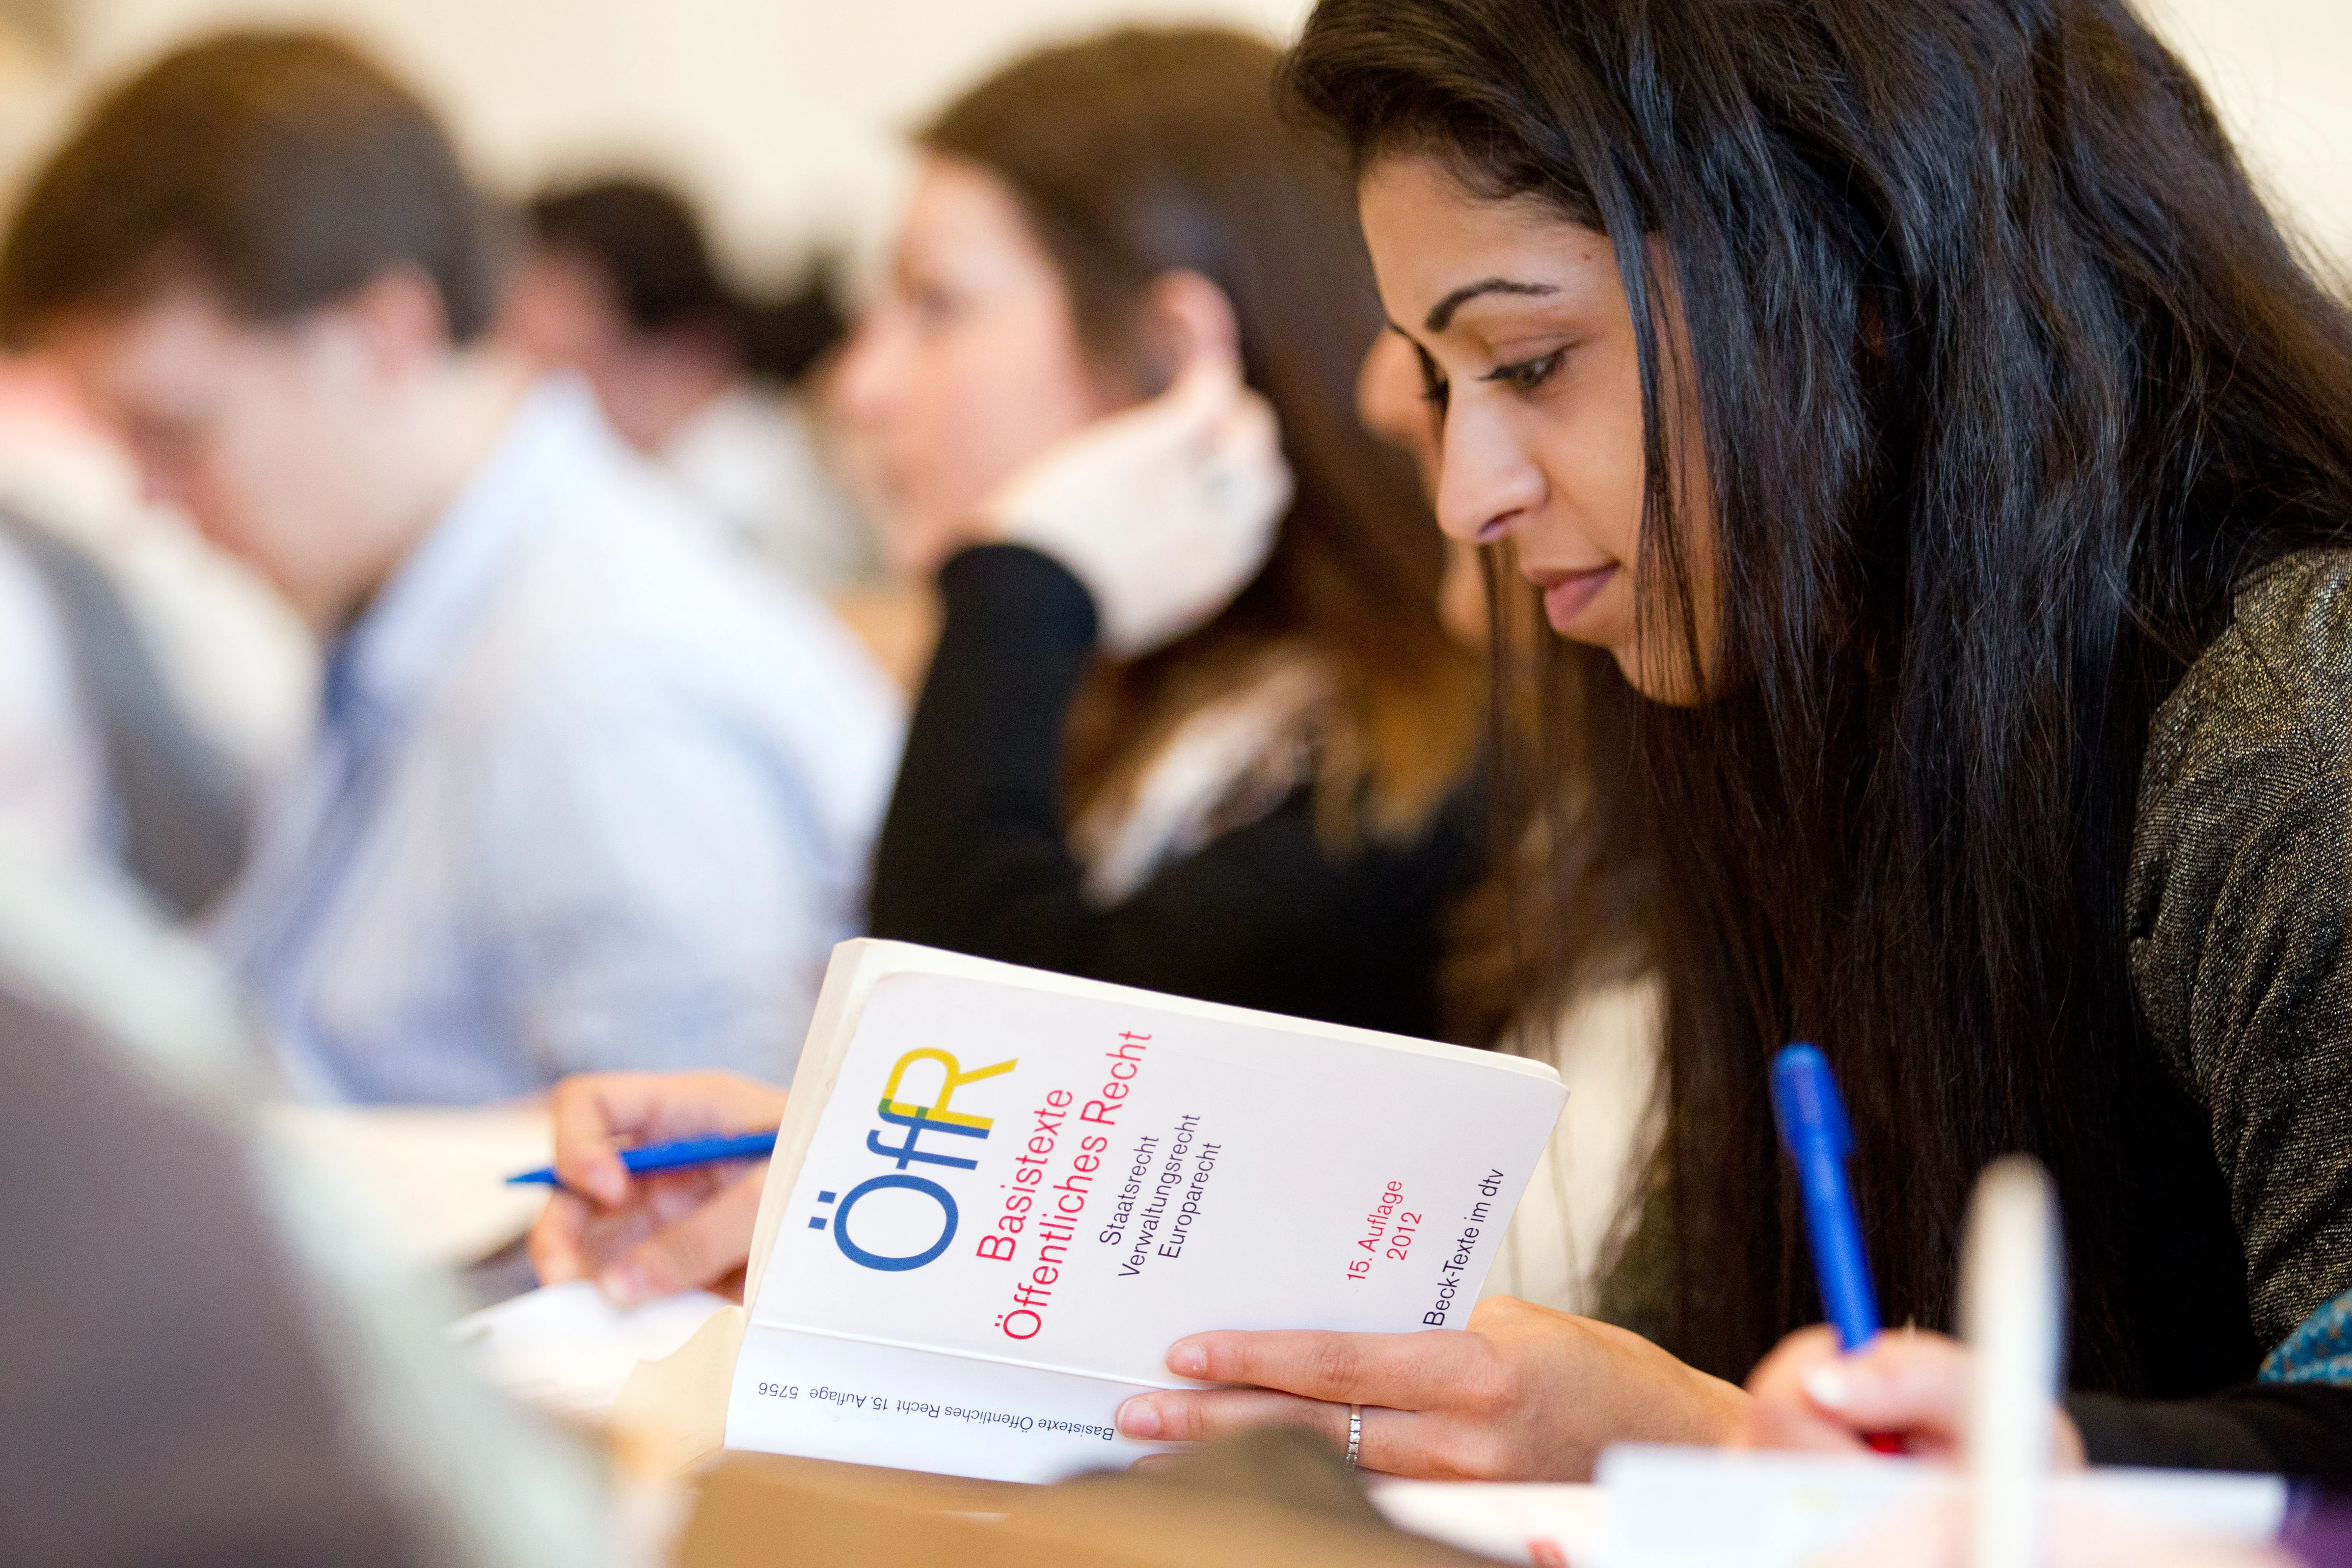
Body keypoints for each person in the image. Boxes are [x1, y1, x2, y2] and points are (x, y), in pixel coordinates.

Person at [1102, 0, 2352, 1484]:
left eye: (1529, 359)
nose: (1467, 498)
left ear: (1863, 286)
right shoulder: (1790, 701)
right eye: (1444, 386)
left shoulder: (2289, 724)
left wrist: (1723, 1446)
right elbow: (1686, 1338)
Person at [0, 33, 903, 1104]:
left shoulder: (594, 686)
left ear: (384, 335)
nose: (148, 496)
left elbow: (692, 1218)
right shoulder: (419, 610)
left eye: (177, 435)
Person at [849, 27, 1487, 1040]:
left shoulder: (1385, 775)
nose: (862, 385)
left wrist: (1023, 583)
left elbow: (970, 1081)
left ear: (1172, 352)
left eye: (937, 305)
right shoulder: (1131, 701)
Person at [498, 176, 881, 593]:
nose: (526, 406)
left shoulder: (736, 508)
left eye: (552, 371)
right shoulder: (733, 469)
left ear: (679, 354)